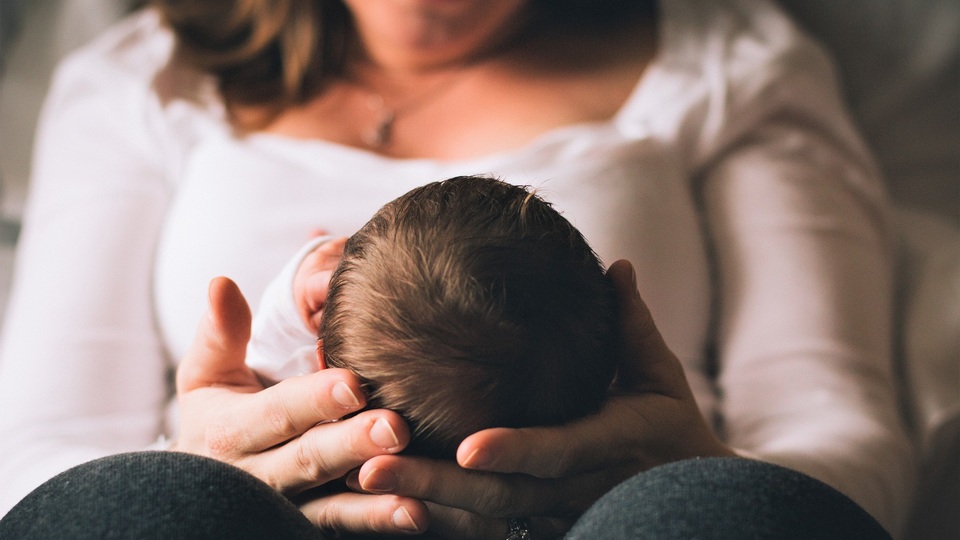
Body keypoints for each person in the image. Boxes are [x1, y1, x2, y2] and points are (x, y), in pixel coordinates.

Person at [0, 0, 914, 538]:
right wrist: (207, 470)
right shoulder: (142, 80)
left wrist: (684, 473)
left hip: (616, 522)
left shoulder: (730, 67)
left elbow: (844, 438)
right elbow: (31, 462)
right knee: (131, 510)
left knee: (725, 515)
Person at [246, 175, 619, 460]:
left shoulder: (304, 444)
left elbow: (266, 359)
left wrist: (297, 283)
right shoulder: (587, 459)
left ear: (325, 372)